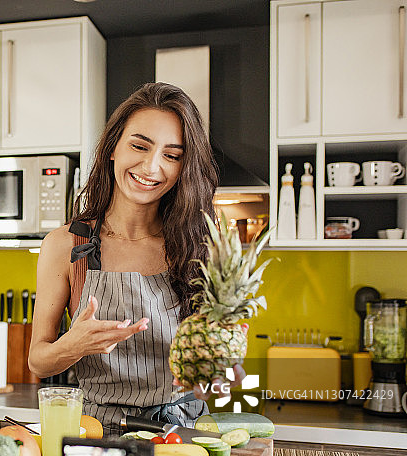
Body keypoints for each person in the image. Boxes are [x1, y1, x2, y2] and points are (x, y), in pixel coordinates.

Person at [28, 82, 245, 436]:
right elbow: (38, 359)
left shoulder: (201, 249)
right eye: (140, 146)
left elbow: (220, 385)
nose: (151, 166)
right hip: (93, 436)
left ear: (183, 168)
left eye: (172, 156)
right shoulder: (65, 245)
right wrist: (74, 344)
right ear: (113, 147)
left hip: (182, 436)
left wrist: (223, 369)